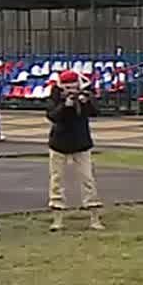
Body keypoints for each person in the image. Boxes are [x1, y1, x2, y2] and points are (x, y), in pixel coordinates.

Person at [46, 70, 104, 232]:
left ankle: (94, 217)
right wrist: (65, 106)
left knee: (88, 179)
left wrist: (85, 102)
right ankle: (57, 218)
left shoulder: (86, 94)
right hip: (59, 143)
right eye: (67, 88)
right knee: (56, 181)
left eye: (74, 87)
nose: (71, 90)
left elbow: (96, 112)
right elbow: (51, 116)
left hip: (81, 143)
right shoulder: (55, 96)